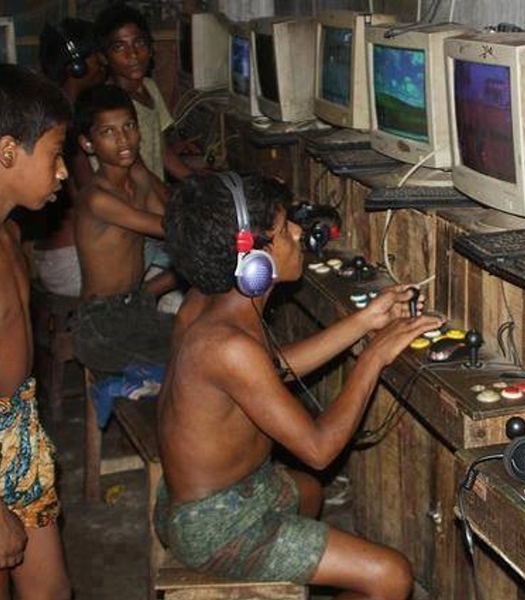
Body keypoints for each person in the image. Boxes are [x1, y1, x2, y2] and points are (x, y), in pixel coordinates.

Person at [155, 171, 444, 599]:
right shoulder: (227, 347)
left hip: (224, 493)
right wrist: (373, 357)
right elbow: (319, 449)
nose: (297, 232)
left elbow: (268, 370)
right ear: (253, 261)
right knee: (392, 576)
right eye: (284, 227)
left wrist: (364, 321)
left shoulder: (207, 303)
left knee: (308, 492)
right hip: (215, 524)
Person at [0, 63, 72, 599]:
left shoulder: (7, 236)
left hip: (20, 432)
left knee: (52, 592)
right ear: (8, 152)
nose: (64, 172)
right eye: (55, 154)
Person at [71, 83, 175, 373]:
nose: (123, 139)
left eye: (129, 126)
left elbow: (169, 220)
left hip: (135, 304)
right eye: (108, 132)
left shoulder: (138, 176)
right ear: (88, 144)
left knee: (195, 332)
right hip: (100, 322)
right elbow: (167, 227)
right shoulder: (96, 198)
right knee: (188, 357)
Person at [32, 17, 107, 298]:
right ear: (76, 65)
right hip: (69, 261)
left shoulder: (55, 107)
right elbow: (91, 195)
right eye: (95, 54)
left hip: (56, 256)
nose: (102, 60)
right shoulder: (63, 123)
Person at [93, 2, 194, 184]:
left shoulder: (150, 87)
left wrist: (199, 181)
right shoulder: (110, 106)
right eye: (119, 47)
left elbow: (163, 152)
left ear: (151, 47)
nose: (132, 54)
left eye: (139, 43)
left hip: (153, 192)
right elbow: (139, 175)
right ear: (103, 57)